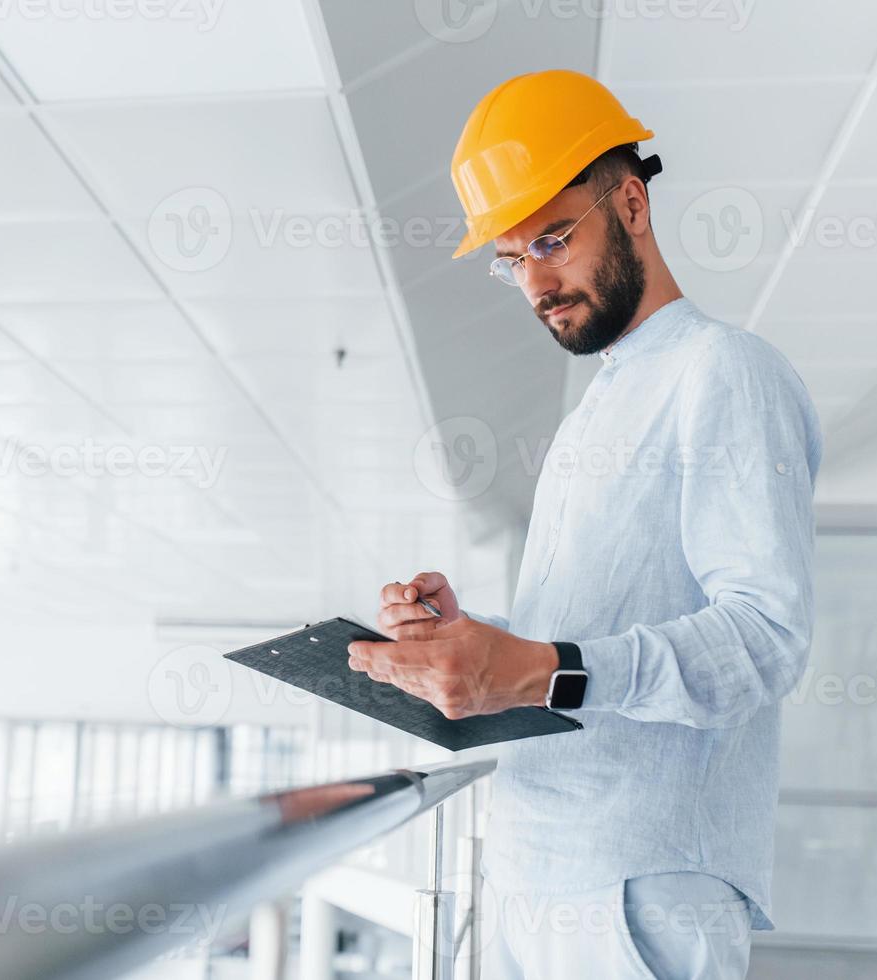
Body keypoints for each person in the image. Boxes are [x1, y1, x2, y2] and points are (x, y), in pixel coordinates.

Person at [346, 69, 823, 979]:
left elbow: (765, 640)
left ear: (632, 202)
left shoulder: (723, 371)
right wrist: (470, 641)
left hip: (637, 890)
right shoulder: (588, 421)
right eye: (512, 257)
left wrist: (534, 665)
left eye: (554, 239)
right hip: (537, 875)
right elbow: (578, 656)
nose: (536, 280)